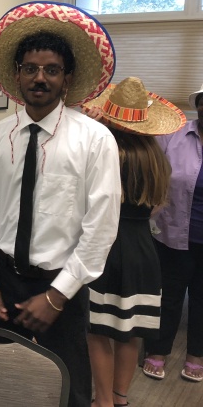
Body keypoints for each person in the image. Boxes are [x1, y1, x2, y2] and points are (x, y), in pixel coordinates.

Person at [0, 1, 121, 407]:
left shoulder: (94, 140)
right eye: (31, 69)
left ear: (66, 78)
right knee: (3, 383)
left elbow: (101, 227)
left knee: (68, 389)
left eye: (51, 69)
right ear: (17, 74)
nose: (40, 78)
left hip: (63, 283)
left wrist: (57, 296)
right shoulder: (0, 135)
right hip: (4, 279)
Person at [82, 77, 182, 407]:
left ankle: (103, 401)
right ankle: (121, 398)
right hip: (143, 247)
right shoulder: (156, 157)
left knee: (98, 330)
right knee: (129, 332)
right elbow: (156, 206)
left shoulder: (106, 151)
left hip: (107, 247)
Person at [143, 82, 203, 384]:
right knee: (168, 297)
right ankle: (157, 350)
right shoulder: (174, 136)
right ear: (198, 105)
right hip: (173, 233)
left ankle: (196, 355)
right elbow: (152, 174)